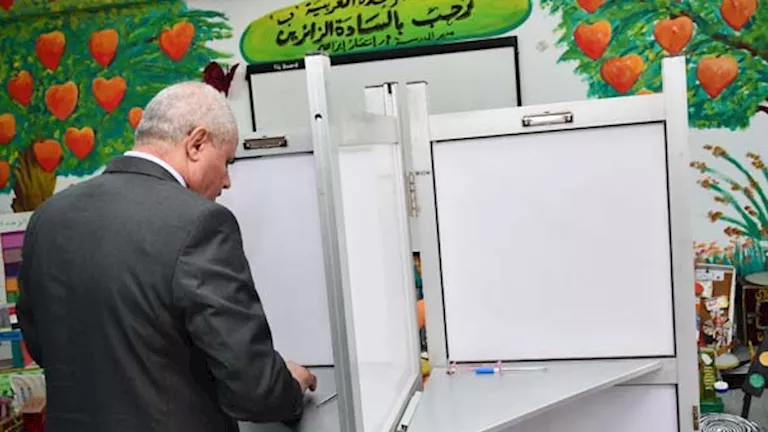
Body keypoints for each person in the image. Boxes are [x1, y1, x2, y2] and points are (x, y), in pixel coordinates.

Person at [16, 81, 317, 432]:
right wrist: (289, 385)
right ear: (196, 143)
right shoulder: (199, 223)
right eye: (227, 162)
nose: (227, 181)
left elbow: (42, 343)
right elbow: (253, 390)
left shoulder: (48, 217)